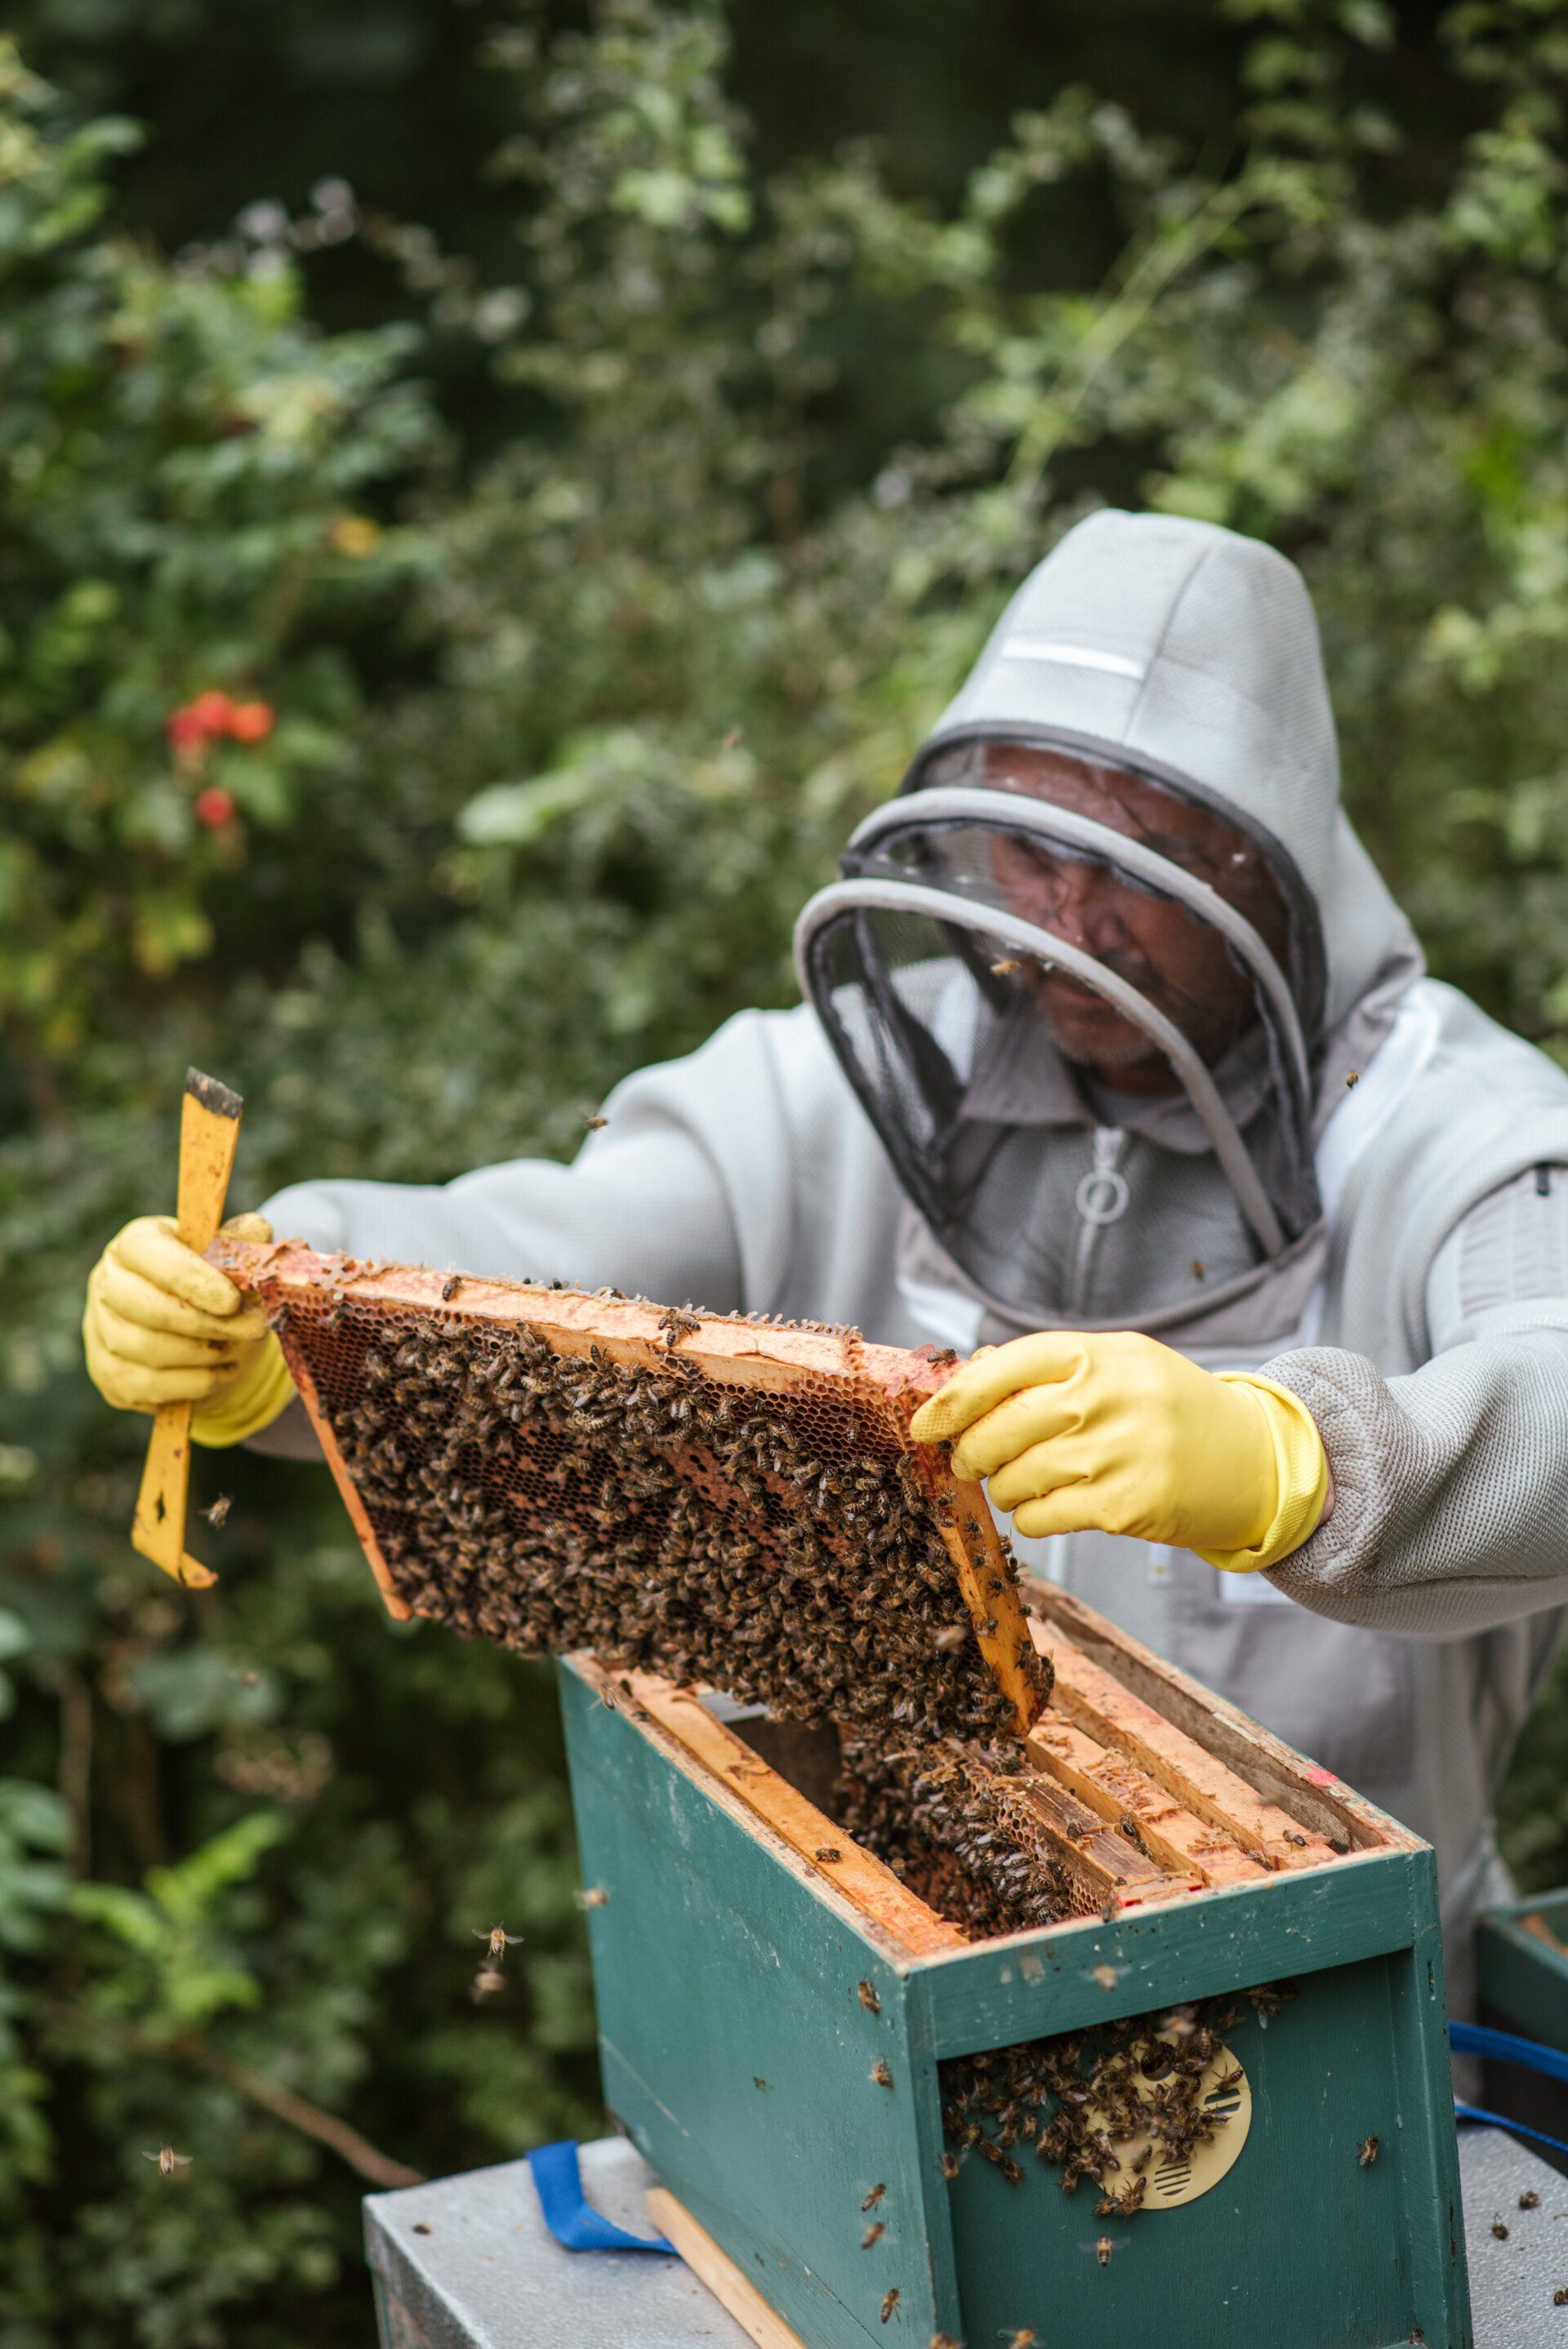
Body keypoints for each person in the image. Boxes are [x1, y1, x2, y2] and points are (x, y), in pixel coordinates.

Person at [82, 509, 1568, 2012]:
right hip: (900, 1992)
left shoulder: (1456, 1128)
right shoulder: (851, 1081)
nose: (1067, 928)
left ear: (1273, 864)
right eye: (1031, 852)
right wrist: (291, 1301)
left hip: (1360, 2032)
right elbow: (552, 1247)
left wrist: (1296, 1458)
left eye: (1144, 865)